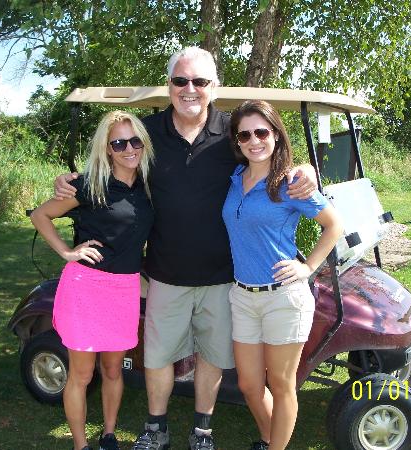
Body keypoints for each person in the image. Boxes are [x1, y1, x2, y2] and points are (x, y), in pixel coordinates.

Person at [54, 47, 319, 450]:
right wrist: (68, 180)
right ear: (169, 85)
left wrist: (306, 170)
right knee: (158, 356)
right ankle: (156, 428)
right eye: (180, 80)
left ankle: (202, 430)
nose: (189, 89)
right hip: (165, 272)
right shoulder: (146, 134)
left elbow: (271, 158)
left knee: (212, 356)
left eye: (199, 81)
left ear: (214, 86)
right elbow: (111, 164)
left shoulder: (233, 132)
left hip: (222, 276)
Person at [222, 100, 343, 450]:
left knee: (281, 384)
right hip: (242, 296)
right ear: (237, 141)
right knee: (248, 384)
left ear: (276, 134)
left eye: (262, 132)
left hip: (283, 298)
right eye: (245, 135)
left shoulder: (290, 183)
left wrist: (308, 267)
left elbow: (334, 224)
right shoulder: (235, 178)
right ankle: (268, 437)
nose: (254, 141)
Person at [31, 111, 155, 450]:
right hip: (86, 287)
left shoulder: (148, 186)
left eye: (135, 141)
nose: (129, 149)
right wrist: (66, 251)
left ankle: (109, 434)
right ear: (107, 149)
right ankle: (80, 445)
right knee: (82, 374)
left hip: (124, 289)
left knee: (113, 370)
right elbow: (41, 215)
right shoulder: (89, 184)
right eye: (119, 143)